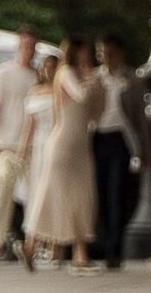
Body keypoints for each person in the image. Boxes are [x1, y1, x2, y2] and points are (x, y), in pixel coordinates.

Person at [25, 37, 99, 270]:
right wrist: (91, 78)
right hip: (63, 145)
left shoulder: (82, 76)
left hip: (80, 146)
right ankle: (32, 242)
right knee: (51, 194)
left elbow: (96, 110)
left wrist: (95, 83)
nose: (87, 58)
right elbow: (81, 95)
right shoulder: (66, 72)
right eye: (83, 53)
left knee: (82, 197)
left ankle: (80, 253)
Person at [90, 36, 148, 268]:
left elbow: (141, 119)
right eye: (102, 53)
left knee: (116, 195)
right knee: (101, 196)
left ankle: (114, 250)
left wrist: (144, 151)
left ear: (120, 53)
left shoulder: (132, 79)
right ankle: (104, 242)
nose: (106, 58)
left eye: (110, 53)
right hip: (98, 139)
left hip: (120, 141)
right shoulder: (95, 78)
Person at [0, 30, 37, 263]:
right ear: (18, 47)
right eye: (24, 45)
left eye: (31, 46)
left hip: (31, 146)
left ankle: (34, 244)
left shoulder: (36, 76)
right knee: (2, 195)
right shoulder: (3, 73)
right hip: (6, 145)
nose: (28, 50)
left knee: (35, 196)